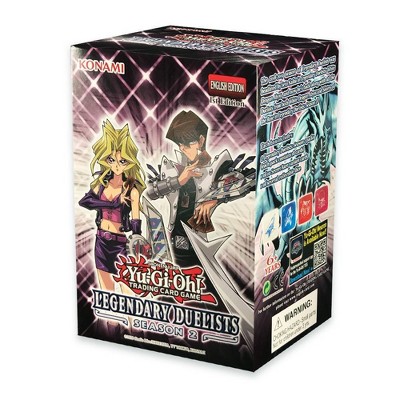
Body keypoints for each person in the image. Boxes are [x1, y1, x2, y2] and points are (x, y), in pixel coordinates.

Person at [147, 110, 254, 268]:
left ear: (201, 140)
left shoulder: (216, 167)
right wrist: (179, 181)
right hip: (172, 242)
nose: (183, 149)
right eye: (180, 145)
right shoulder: (174, 169)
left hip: (198, 244)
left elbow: (248, 179)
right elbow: (150, 191)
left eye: (187, 144)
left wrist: (214, 199)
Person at [79, 119, 146, 291]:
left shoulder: (132, 191)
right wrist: (114, 204)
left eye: (122, 161)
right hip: (101, 242)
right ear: (106, 159)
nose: (116, 165)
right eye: (111, 160)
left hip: (120, 244)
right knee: (106, 294)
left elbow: (136, 225)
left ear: (129, 162)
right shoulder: (101, 185)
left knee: (127, 294)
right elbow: (85, 202)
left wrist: (137, 248)